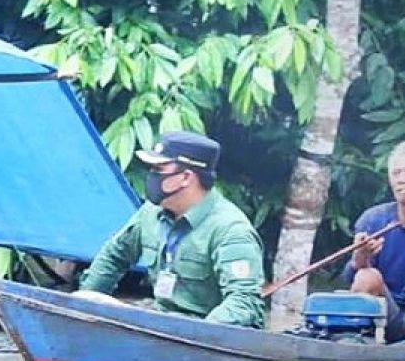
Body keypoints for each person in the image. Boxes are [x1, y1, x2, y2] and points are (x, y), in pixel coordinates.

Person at [76, 131, 265, 327]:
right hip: (159, 324)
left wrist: (195, 335)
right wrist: (81, 306)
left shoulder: (230, 231)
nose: (151, 176)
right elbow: (114, 256)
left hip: (204, 339)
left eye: (159, 169)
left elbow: (244, 303)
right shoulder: (151, 213)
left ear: (185, 177)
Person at [343, 141, 405, 341]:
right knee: (366, 275)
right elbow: (351, 280)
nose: (402, 179)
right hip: (386, 312)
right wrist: (360, 259)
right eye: (396, 173)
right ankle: (356, 343)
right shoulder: (374, 218)